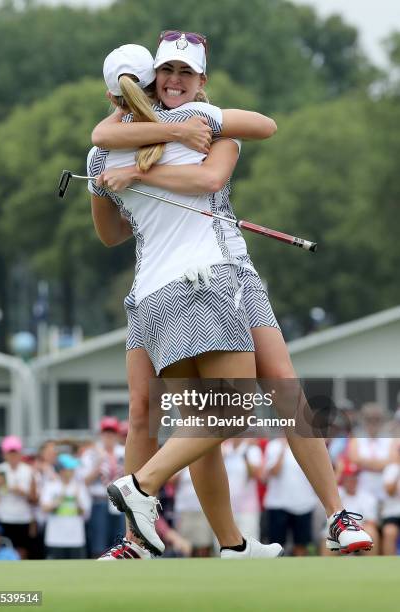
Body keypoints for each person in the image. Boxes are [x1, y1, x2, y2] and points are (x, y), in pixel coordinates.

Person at [91, 36, 373, 557]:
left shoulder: (200, 121)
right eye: (166, 71)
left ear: (201, 81)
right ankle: (150, 498)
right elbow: (114, 219)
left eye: (186, 72)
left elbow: (219, 168)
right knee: (220, 413)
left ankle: (326, 519)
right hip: (199, 281)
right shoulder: (122, 144)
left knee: (280, 393)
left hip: (230, 273)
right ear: (150, 81)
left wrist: (136, 172)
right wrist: (117, 175)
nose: (175, 81)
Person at [88, 42, 283, 561]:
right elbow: (262, 129)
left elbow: (109, 234)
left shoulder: (101, 153)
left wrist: (129, 181)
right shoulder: (195, 116)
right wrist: (174, 136)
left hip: (148, 296)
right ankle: (143, 486)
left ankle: (230, 545)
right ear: (153, 81)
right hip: (199, 284)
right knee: (233, 408)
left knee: (193, 421)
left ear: (111, 93)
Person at [263, 437, 317, 556]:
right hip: (278, 504)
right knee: (276, 546)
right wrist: (283, 449)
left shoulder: (308, 444)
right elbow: (274, 471)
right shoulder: (274, 446)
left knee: (301, 545)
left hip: (304, 503)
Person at [81, 417, 125, 557]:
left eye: (112, 433)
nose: (109, 436)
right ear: (101, 434)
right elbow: (85, 480)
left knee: (120, 542)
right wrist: (99, 462)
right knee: (99, 543)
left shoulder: (124, 452)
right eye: (106, 432)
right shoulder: (91, 453)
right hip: (99, 500)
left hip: (119, 501)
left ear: (117, 434)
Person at [0, 435, 37, 559]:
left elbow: (34, 500)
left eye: (15, 453)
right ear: (4, 454)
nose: (12, 456)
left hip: (23, 518)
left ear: (20, 453)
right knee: (3, 551)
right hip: (4, 517)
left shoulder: (28, 471)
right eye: (9, 453)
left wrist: (23, 493)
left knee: (22, 552)